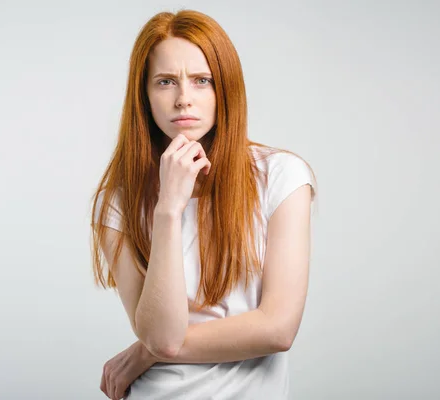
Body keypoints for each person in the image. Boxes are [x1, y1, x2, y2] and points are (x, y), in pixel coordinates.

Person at [90, 9, 317, 400]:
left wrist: (142, 354)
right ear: (144, 94)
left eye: (201, 81)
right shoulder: (119, 201)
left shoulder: (282, 177)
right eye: (165, 82)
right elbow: (163, 336)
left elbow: (277, 329)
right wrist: (168, 209)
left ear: (224, 88)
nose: (183, 99)